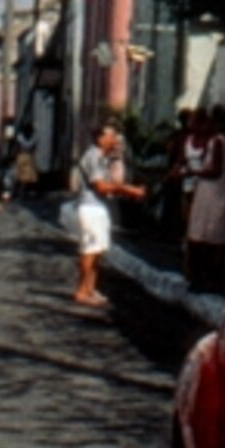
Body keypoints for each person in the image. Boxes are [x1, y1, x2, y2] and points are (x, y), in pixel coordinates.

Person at [72, 117, 144, 308]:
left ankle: (90, 289)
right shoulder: (94, 156)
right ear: (100, 138)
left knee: (97, 250)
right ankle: (82, 291)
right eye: (111, 136)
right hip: (90, 208)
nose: (115, 140)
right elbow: (101, 187)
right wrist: (129, 190)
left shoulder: (102, 157)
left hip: (98, 207)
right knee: (89, 250)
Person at [183, 104, 225, 292]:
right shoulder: (223, 141)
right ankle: (208, 279)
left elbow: (215, 170)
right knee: (208, 235)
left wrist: (193, 171)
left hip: (213, 193)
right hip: (214, 193)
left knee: (206, 236)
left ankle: (204, 279)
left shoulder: (218, 142)